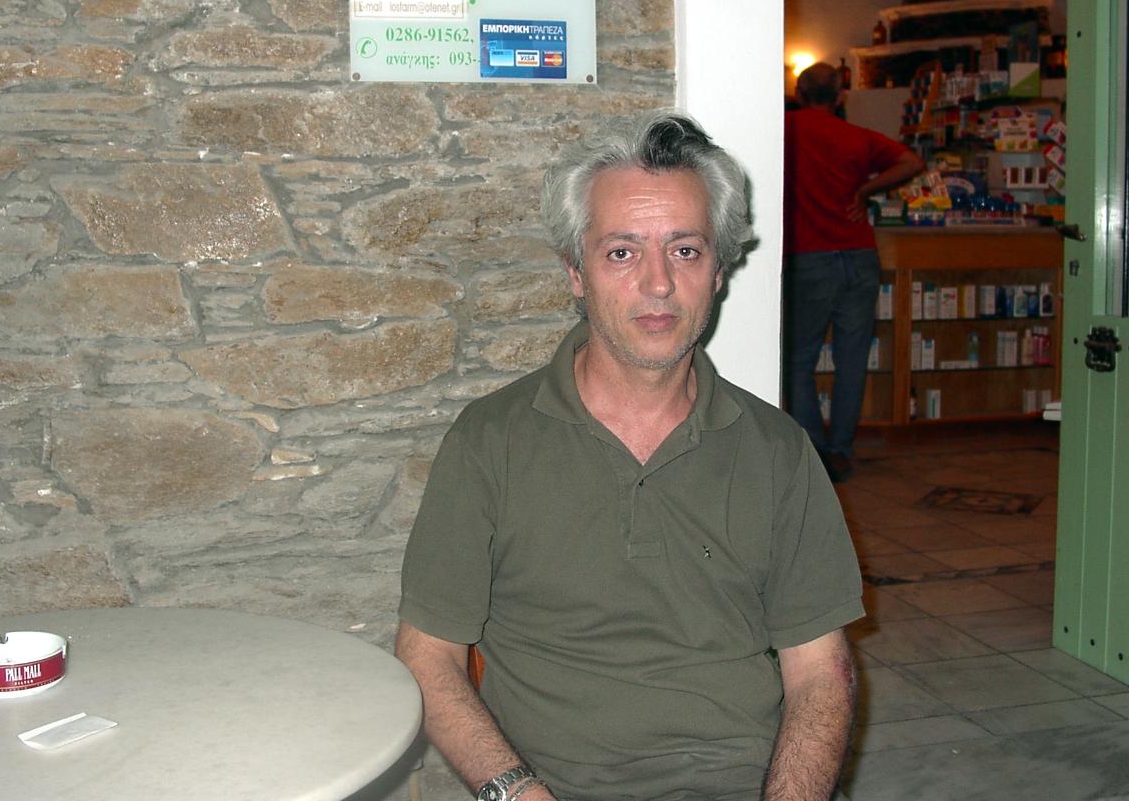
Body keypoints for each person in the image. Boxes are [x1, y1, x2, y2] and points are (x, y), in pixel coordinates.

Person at [396, 112, 864, 801]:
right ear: (575, 273)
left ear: (719, 271)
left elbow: (821, 673)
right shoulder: (489, 441)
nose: (658, 284)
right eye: (622, 252)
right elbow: (428, 657)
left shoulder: (778, 451)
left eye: (685, 250)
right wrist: (518, 794)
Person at [783, 63, 923, 483]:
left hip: (808, 256)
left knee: (797, 362)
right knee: (852, 361)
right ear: (840, 96)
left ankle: (813, 451)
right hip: (860, 255)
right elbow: (911, 161)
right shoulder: (857, 136)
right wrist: (865, 190)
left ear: (799, 92)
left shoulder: (786, 129)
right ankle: (841, 450)